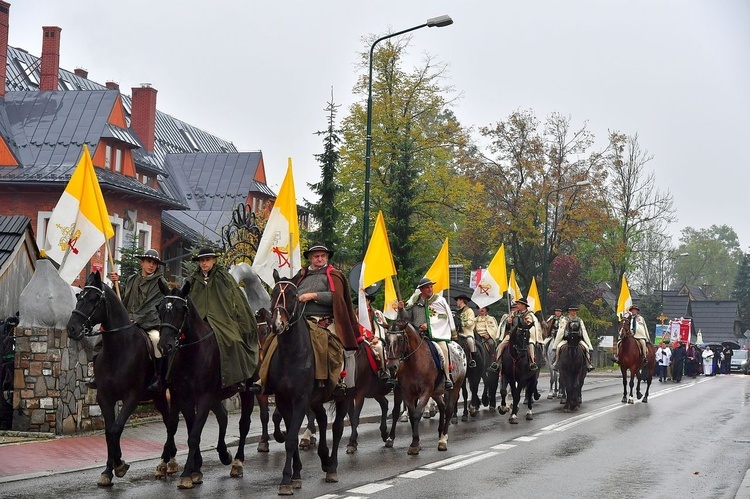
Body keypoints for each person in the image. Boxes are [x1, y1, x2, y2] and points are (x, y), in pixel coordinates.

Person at [188, 247, 259, 392]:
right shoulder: (192, 280)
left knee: (234, 341)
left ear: (214, 260)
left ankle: (237, 378)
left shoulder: (224, 278)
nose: (204, 263)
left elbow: (237, 300)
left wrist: (240, 321)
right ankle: (169, 378)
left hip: (222, 319)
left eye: (207, 260)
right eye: (201, 260)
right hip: (198, 319)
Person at [293, 242, 360, 394]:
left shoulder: (334, 275)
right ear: (310, 258)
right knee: (275, 339)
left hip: (325, 320)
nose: (320, 259)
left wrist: (314, 295)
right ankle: (265, 378)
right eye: (316, 256)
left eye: (323, 256)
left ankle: (334, 380)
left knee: (326, 344)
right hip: (300, 319)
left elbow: (337, 297)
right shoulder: (301, 276)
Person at [106, 249, 168, 391]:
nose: (151, 265)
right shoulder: (131, 279)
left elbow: (154, 305)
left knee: (157, 339)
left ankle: (159, 378)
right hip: (128, 321)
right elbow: (121, 299)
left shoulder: (160, 283)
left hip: (150, 322)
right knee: (106, 337)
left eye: (154, 263)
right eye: (148, 262)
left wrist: (138, 319)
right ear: (142, 262)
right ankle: (100, 374)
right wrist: (115, 284)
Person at [398, 277, 456, 389]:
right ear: (421, 290)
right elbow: (406, 318)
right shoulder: (414, 301)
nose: (430, 289)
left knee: (443, 349)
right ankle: (397, 378)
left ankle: (447, 378)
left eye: (431, 287)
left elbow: (443, 317)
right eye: (427, 288)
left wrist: (429, 325)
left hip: (434, 335)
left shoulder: (439, 301)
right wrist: (401, 309)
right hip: (416, 336)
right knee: (400, 351)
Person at [493, 298, 539, 371]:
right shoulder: (513, 314)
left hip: (524, 335)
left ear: (524, 305)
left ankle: (531, 362)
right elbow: (508, 326)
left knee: (530, 345)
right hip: (512, 334)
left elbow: (528, 325)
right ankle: (497, 362)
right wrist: (508, 322)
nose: (517, 305)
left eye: (519, 304)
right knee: (501, 345)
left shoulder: (529, 315)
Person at [552, 306, 595, 371]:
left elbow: (584, 331)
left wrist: (589, 344)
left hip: (577, 340)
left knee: (586, 348)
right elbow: (561, 331)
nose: (573, 312)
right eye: (572, 311)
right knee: (558, 347)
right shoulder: (565, 320)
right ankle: (556, 362)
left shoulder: (579, 320)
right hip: (566, 340)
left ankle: (588, 364)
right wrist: (556, 344)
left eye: (574, 311)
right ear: (569, 311)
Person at [363, 293, 391, 383]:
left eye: (365, 300)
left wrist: (377, 337)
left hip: (374, 338)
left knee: (379, 347)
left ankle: (383, 370)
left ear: (369, 301)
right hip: (361, 339)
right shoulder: (356, 313)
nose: (363, 303)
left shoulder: (376, 313)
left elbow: (381, 327)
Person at [455, 295, 477, 368]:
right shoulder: (456, 311)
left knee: (470, 341)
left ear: (461, 300)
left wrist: (461, 324)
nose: (456, 302)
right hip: (457, 333)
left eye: (457, 300)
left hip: (466, 332)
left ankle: (472, 359)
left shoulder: (469, 311)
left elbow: (471, 322)